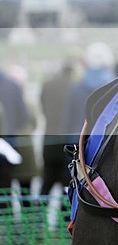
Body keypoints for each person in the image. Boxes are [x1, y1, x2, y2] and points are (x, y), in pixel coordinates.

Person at [63, 42, 117, 142]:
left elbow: (68, 121)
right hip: (103, 144)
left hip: (78, 142)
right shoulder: (116, 88)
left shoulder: (76, 88)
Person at [40, 61, 76, 194]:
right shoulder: (75, 86)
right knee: (67, 184)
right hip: (68, 142)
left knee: (47, 181)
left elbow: (43, 108)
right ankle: (66, 215)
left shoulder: (48, 84)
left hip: (49, 138)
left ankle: (39, 212)